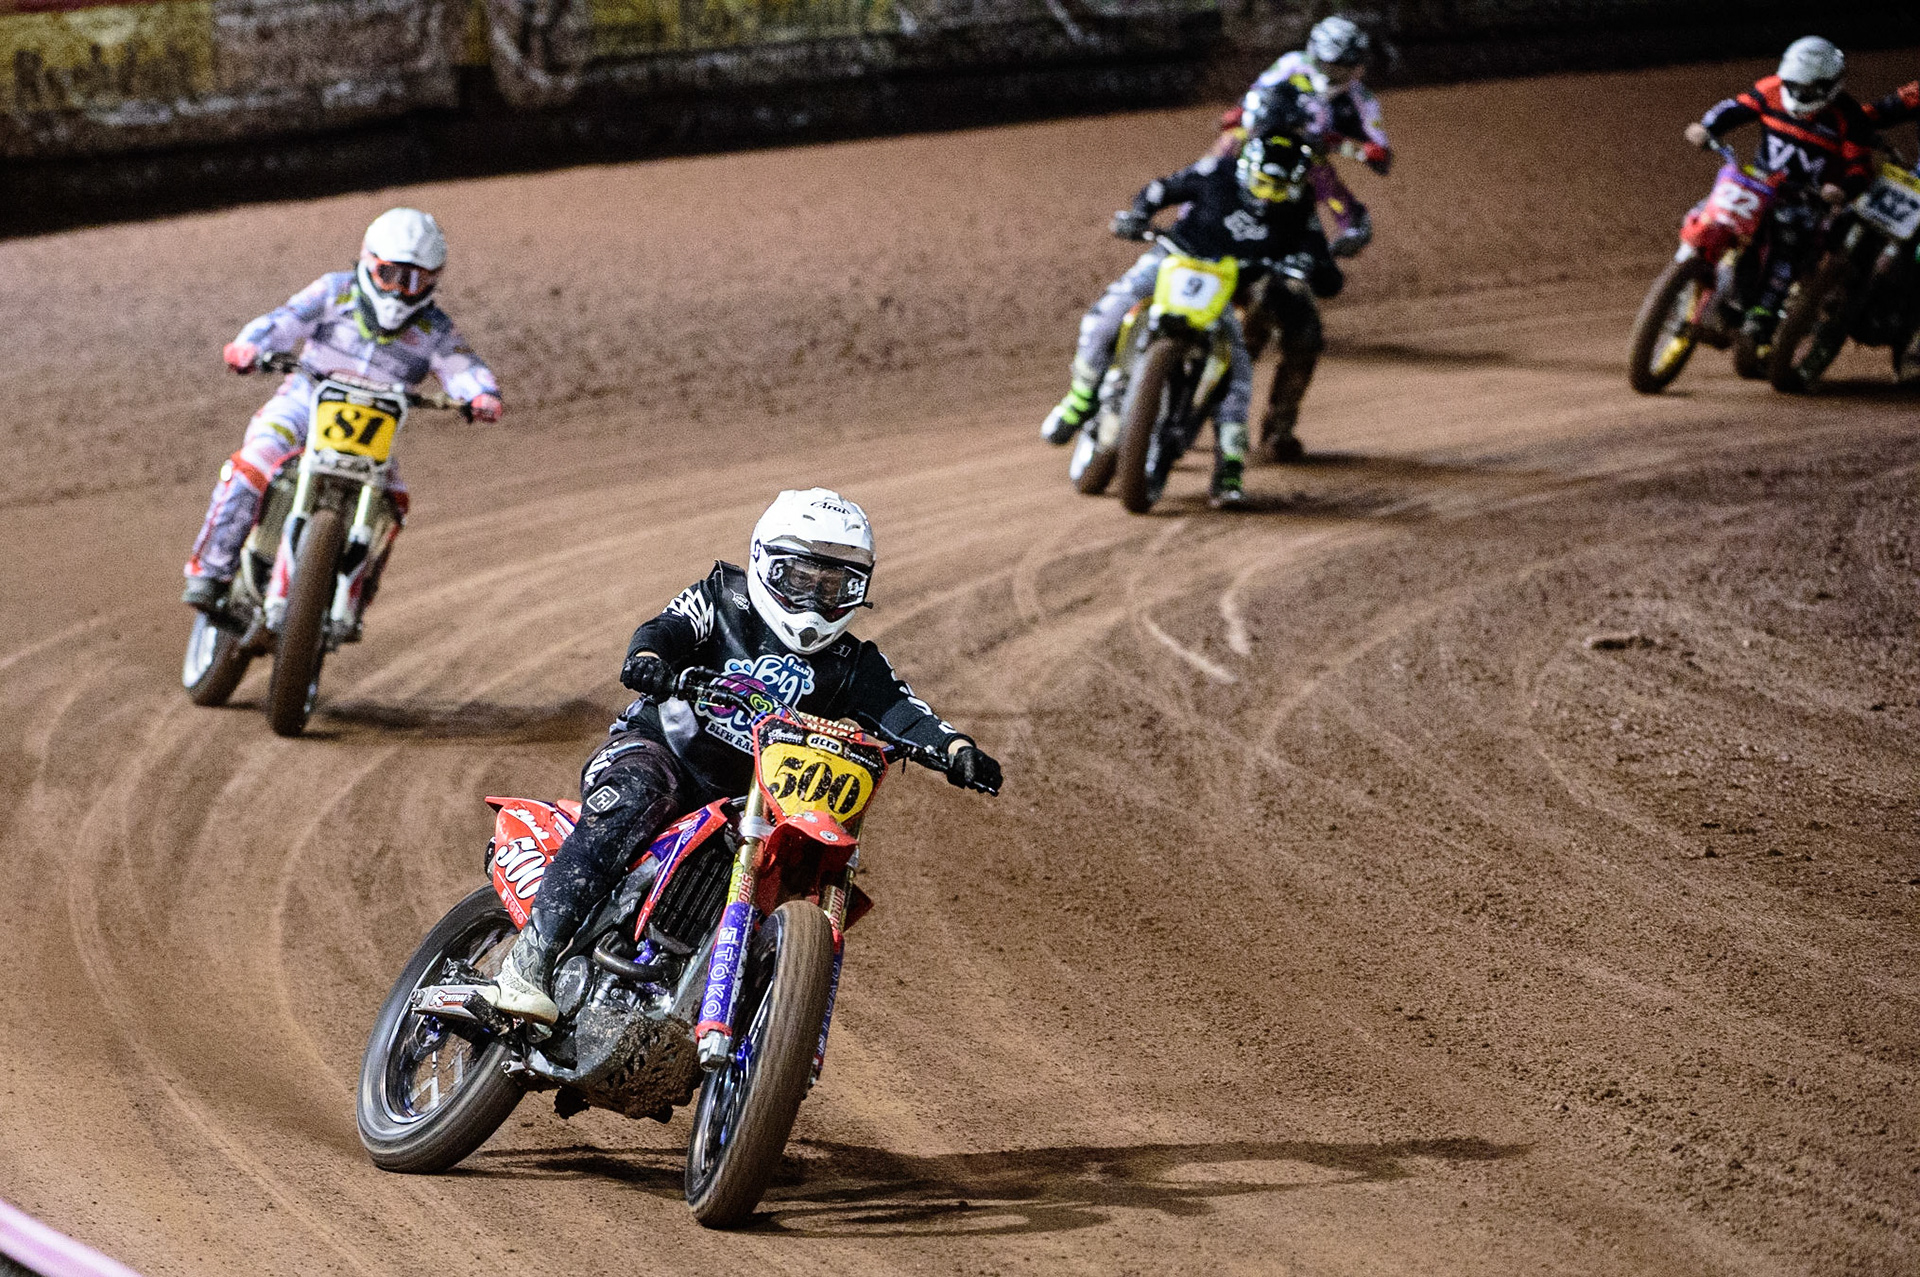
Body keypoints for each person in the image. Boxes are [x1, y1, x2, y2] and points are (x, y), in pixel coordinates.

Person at [485, 488, 1003, 1024]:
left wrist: (955, 748)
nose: (814, 601)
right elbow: (665, 630)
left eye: (835, 586)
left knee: (794, 865)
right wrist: (648, 659)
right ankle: (528, 964)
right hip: (661, 752)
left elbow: (902, 710)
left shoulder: (852, 663)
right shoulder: (721, 598)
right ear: (763, 562)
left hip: (754, 803)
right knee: (639, 793)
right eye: (799, 579)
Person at [181, 208, 503, 612]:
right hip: (302, 406)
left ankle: (354, 594)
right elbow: (286, 320)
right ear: (370, 263)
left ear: (434, 280)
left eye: (417, 280)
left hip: (375, 431)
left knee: (394, 501)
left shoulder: (433, 329)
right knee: (255, 462)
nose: (402, 291)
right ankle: (210, 570)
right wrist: (251, 346)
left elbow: (461, 364)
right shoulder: (335, 292)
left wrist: (481, 394)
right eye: (392, 275)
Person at [1040, 90, 1341, 504]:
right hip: (1173, 259)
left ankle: (1229, 467)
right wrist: (1139, 216)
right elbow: (1161, 189)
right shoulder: (1216, 172)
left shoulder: (1300, 206)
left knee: (1236, 370)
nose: (1269, 196)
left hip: (1233, 282)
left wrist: (1310, 270)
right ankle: (1078, 399)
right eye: (1263, 183)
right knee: (1103, 319)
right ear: (1247, 168)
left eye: (1280, 188)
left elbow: (1321, 258)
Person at [1684, 37, 1875, 349]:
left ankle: (1764, 312)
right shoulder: (1772, 88)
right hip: (1759, 185)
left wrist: (1841, 190)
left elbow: (1860, 168)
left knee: (1787, 242)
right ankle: (1689, 270)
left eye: (1810, 88)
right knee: (1710, 212)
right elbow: (1735, 108)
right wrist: (1708, 127)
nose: (1799, 93)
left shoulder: (1849, 117)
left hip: (1808, 199)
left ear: (1830, 85)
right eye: (1794, 84)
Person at [1223, 14, 1392, 261]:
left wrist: (1363, 150)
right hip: (1266, 136)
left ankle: (1352, 223)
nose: (1347, 72)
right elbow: (1256, 95)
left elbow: (1381, 153)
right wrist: (1241, 114)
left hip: (1308, 153)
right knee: (1229, 144)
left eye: (1350, 65)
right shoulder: (1293, 64)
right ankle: (1196, 201)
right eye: (1338, 65)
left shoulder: (1361, 99)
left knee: (1319, 171)